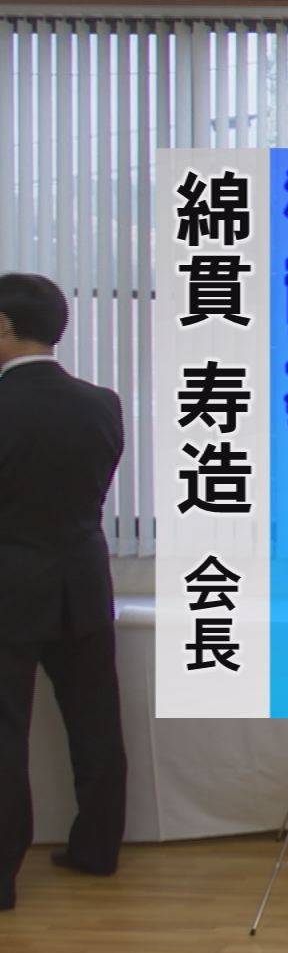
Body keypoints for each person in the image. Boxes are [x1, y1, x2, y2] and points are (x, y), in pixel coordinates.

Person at [0, 272, 128, 911]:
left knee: (6, 733)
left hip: (8, 587)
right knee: (96, 721)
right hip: (83, 579)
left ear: (4, 326)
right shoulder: (102, 404)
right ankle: (97, 849)